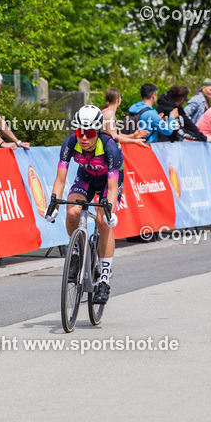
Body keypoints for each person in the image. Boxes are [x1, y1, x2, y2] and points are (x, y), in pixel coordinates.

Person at [46, 105, 122, 304]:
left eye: (89, 133)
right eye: (80, 132)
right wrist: (53, 205)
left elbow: (113, 187)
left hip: (108, 182)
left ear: (97, 132)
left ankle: (104, 279)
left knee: (102, 221)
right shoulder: (70, 143)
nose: (84, 138)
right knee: (72, 211)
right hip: (86, 178)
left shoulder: (109, 146)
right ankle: (78, 254)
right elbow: (60, 180)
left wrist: (109, 211)